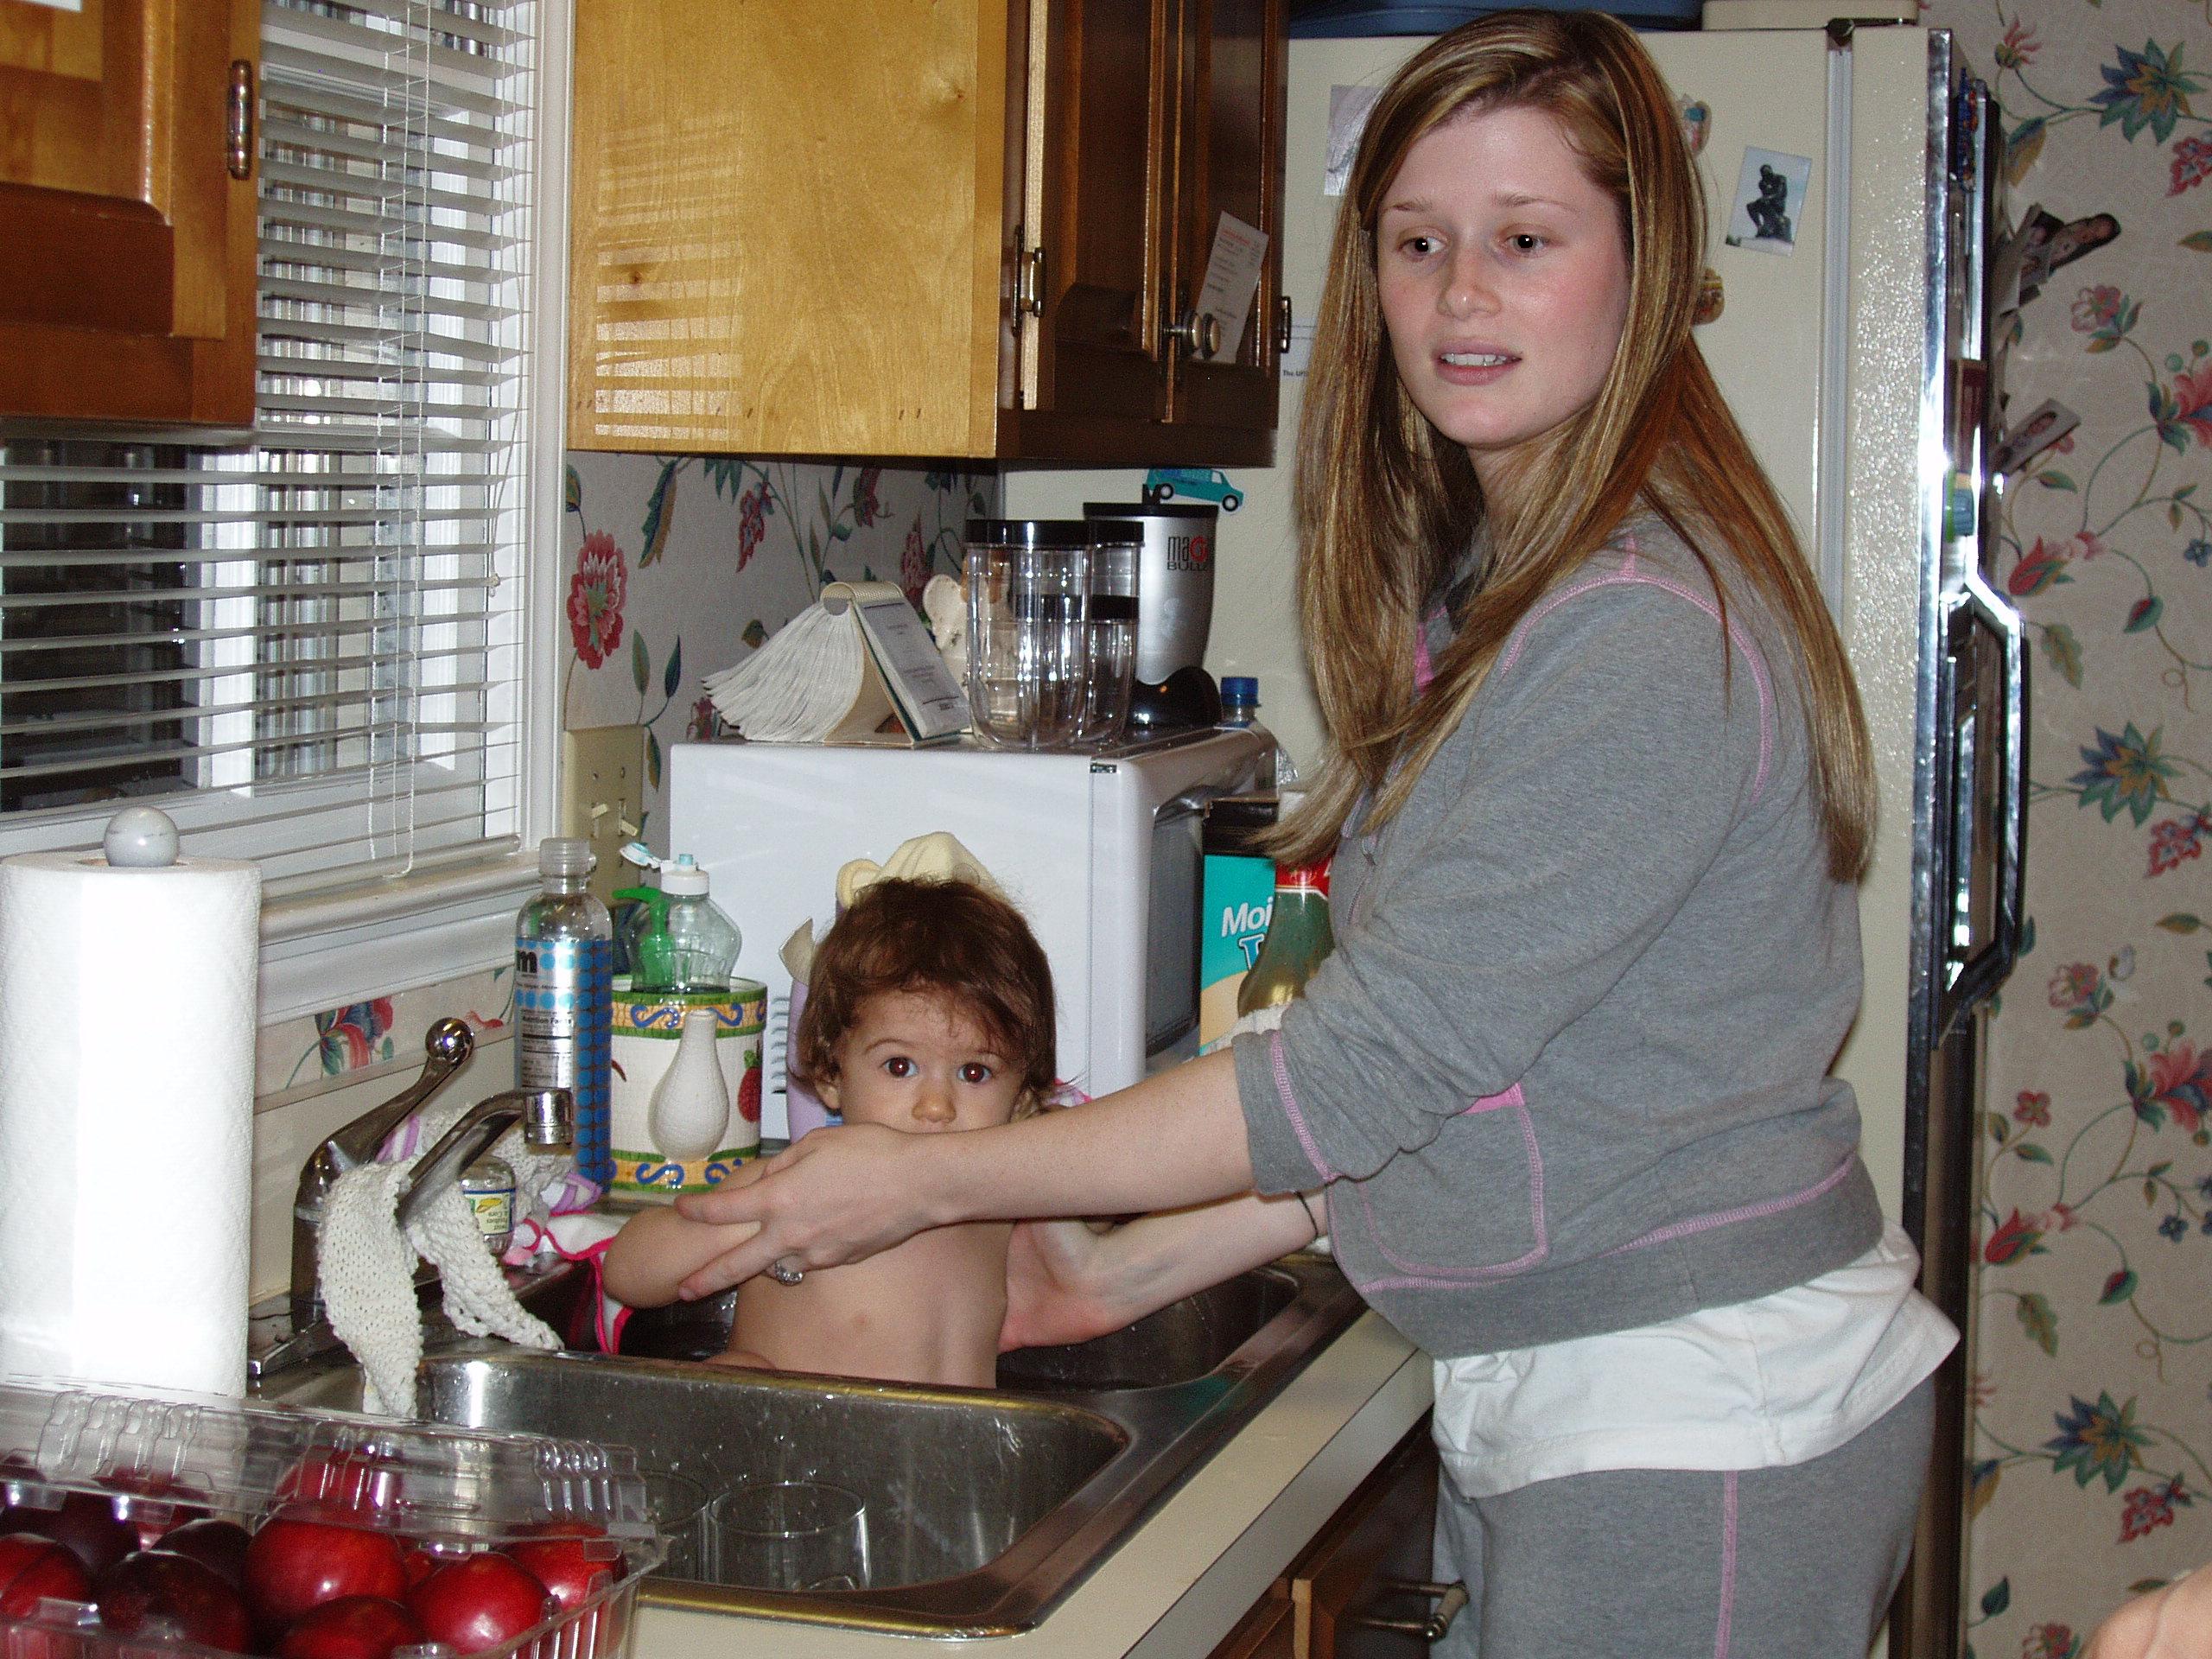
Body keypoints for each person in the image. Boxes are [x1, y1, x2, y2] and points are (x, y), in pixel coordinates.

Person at [665, 11, 1958, 1654]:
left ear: (1643, 272)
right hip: (1621, 1384)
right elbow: (1485, 1083)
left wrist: (920, 1183)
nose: (1461, 294)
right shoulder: (1523, 592)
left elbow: (1355, 1079)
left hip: (1695, 1422)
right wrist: (1116, 1278)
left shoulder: (1631, 632)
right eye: (1418, 243)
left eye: (1526, 240)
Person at [601, 876, 1058, 1389]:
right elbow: (627, 1273)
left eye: (975, 1073)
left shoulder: (1001, 1198)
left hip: (950, 1434)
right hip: (801, 1431)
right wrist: (766, 1222)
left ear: (1022, 1097)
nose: (936, 1106)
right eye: (900, 1066)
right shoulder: (795, 1183)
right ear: (832, 1075)